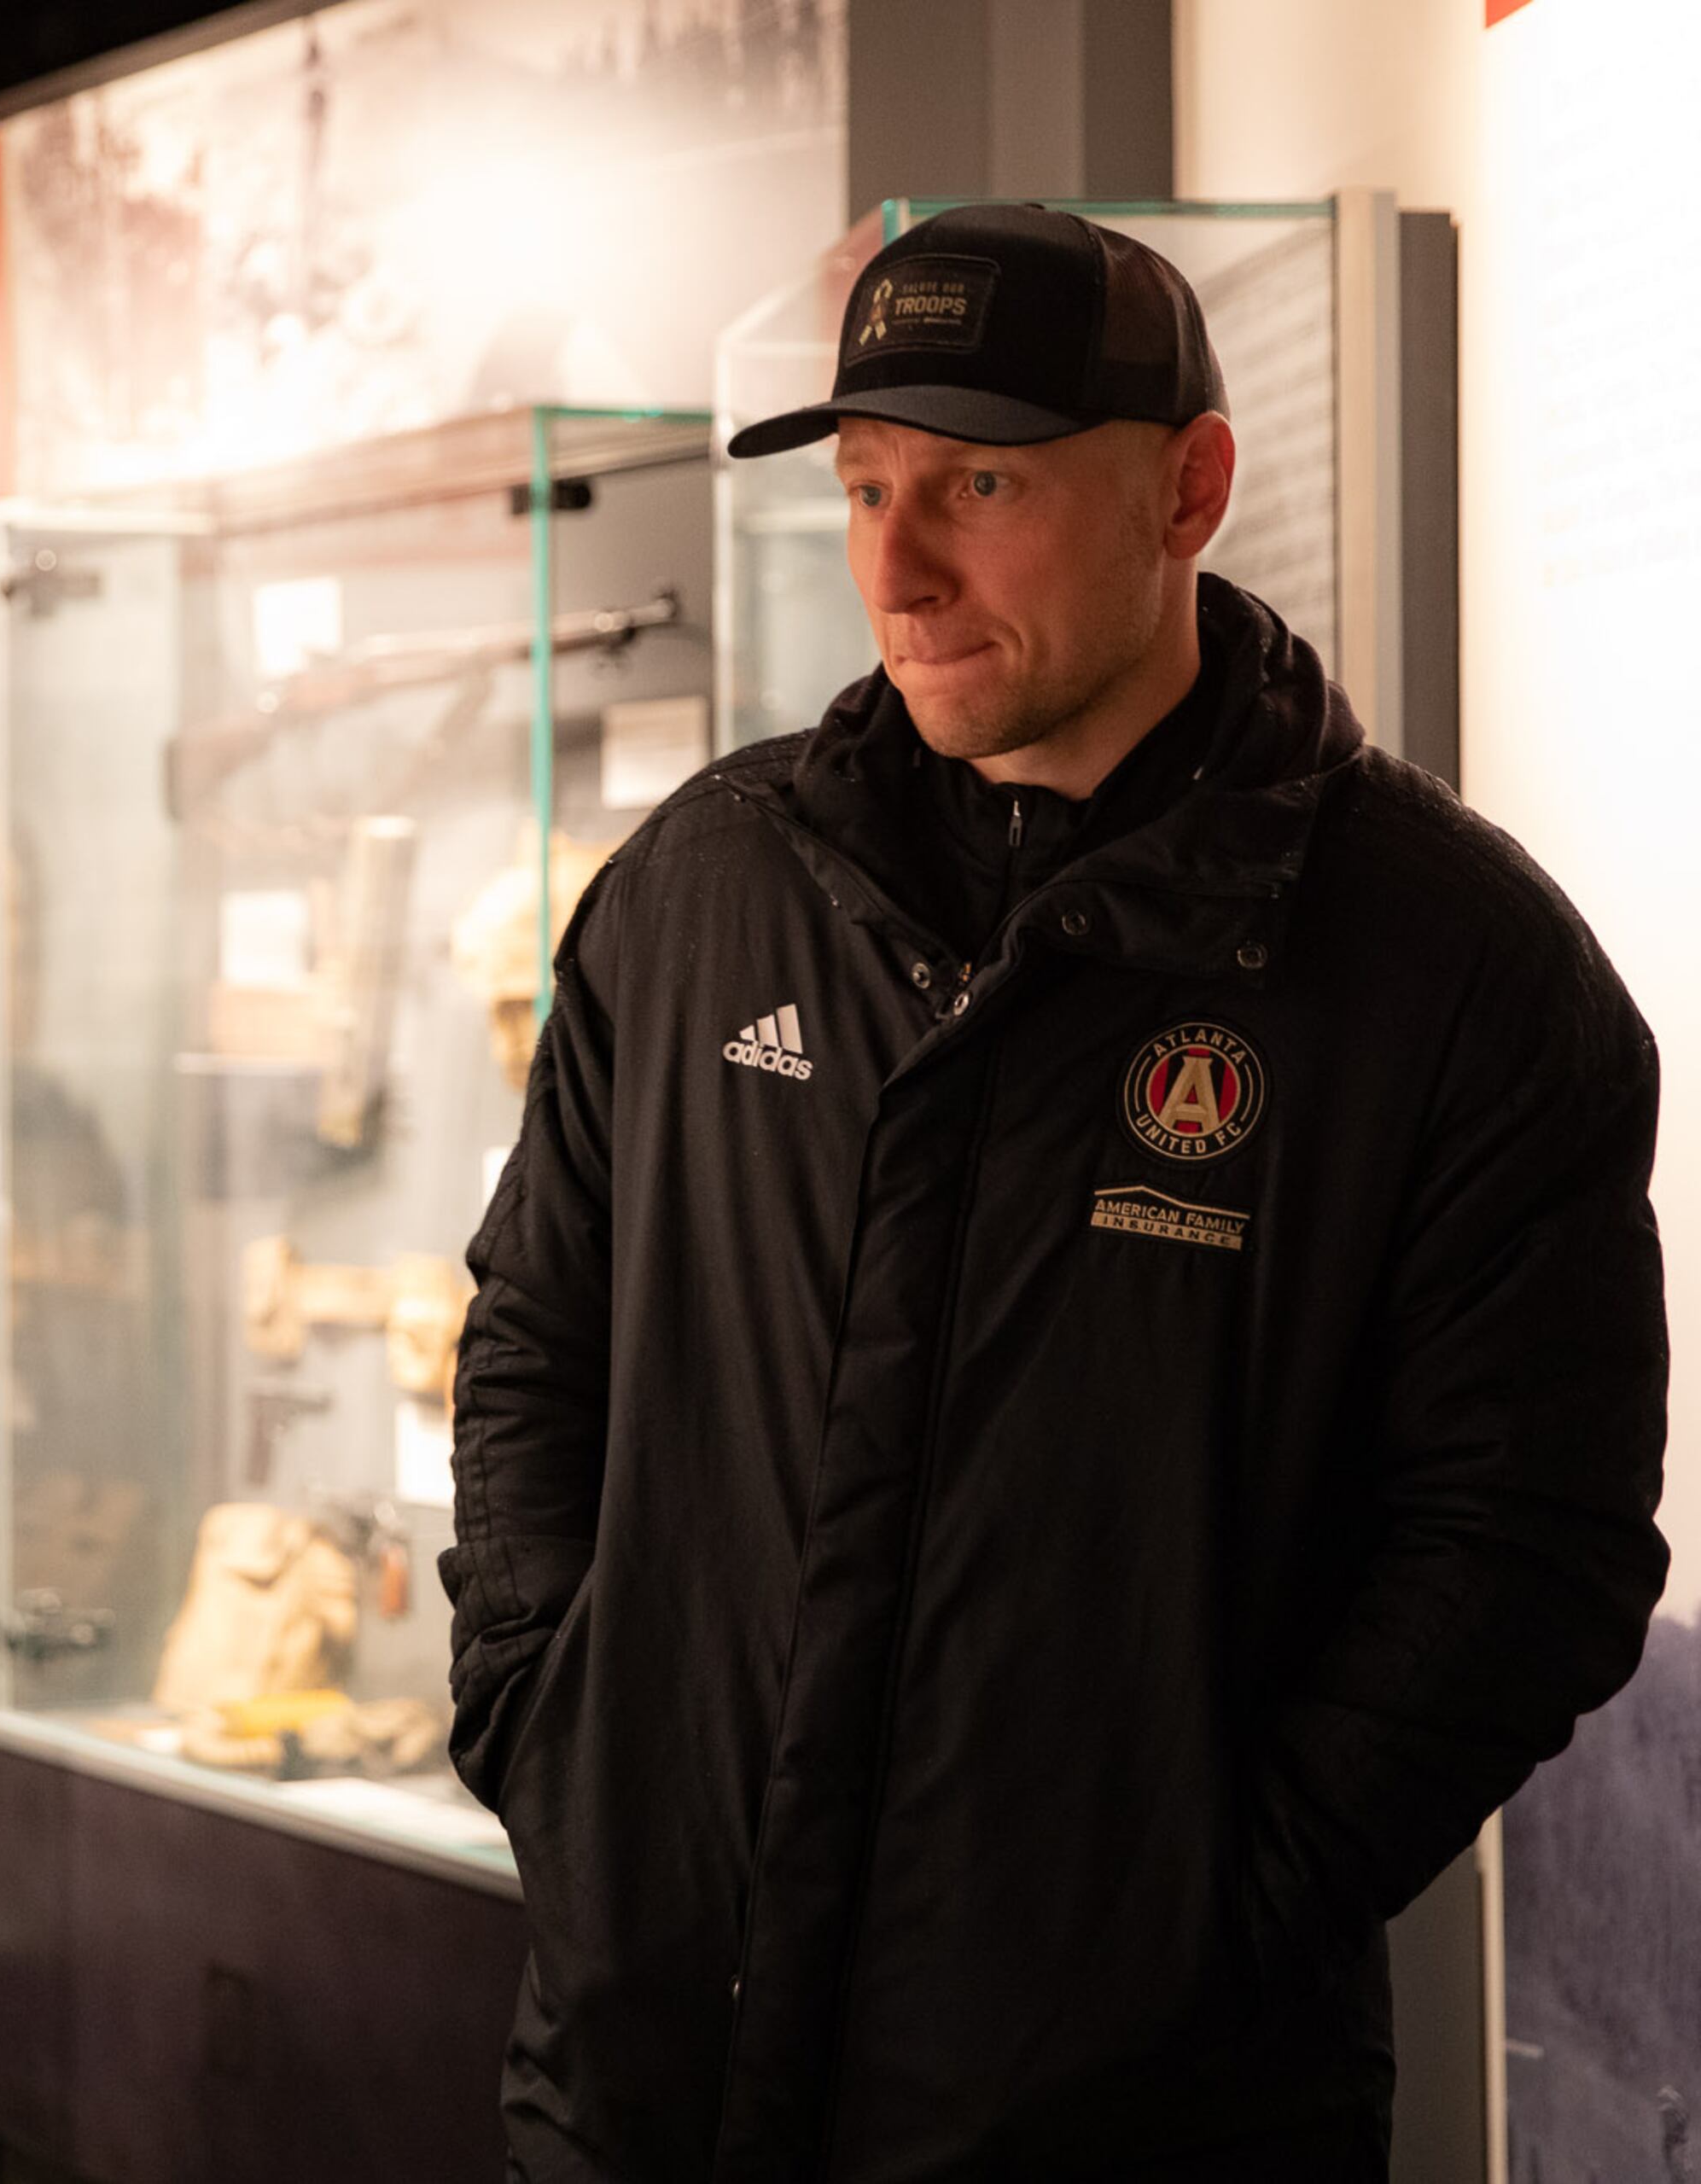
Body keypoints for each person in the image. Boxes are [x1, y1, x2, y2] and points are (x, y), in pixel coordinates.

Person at [444, 202, 1668, 2182]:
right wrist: (545, 1721)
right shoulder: (700, 890)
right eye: (863, 490)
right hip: (645, 2078)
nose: (899, 570)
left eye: (979, 484)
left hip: (1143, 2119)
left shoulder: (1452, 974)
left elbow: (1530, 1543)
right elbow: (531, 1338)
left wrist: (1205, 1909)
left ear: (1190, 488)